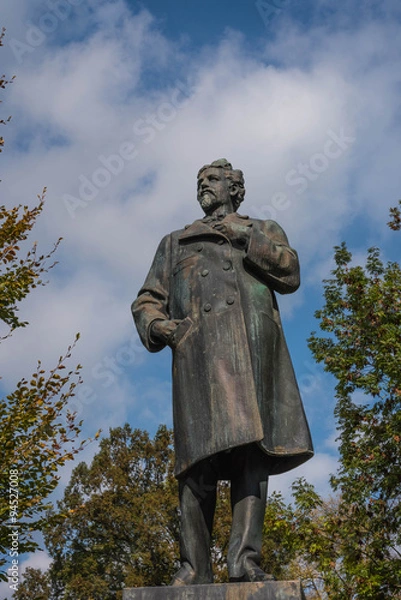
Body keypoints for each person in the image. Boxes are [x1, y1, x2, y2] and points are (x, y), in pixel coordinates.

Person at [132, 159, 313, 585]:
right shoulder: (175, 243)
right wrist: (161, 327)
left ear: (235, 189)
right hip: (198, 359)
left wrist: (246, 236)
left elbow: (290, 273)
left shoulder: (262, 229)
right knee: (196, 466)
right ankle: (193, 568)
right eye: (199, 182)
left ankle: (244, 562)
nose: (203, 188)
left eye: (212, 181)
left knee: (252, 460)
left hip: (252, 356)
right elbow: (146, 300)